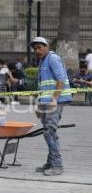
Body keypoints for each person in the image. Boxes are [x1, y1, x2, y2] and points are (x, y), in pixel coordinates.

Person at [31, 36, 72, 176]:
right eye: (35, 48)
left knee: (49, 131)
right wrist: (38, 104)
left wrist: (54, 99)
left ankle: (57, 165)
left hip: (55, 101)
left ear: (46, 46)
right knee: (48, 131)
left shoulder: (52, 58)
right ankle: (50, 162)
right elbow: (42, 85)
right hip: (46, 102)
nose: (37, 50)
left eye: (39, 47)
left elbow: (60, 79)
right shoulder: (42, 61)